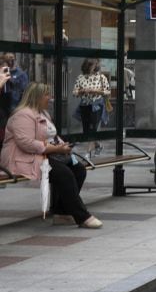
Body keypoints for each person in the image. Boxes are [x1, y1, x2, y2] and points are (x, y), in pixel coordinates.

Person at [1, 83, 102, 228]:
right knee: (64, 174)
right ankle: (83, 216)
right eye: (47, 95)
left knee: (79, 169)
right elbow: (27, 143)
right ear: (37, 97)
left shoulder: (43, 114)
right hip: (23, 158)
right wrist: (55, 149)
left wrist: (63, 146)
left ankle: (62, 213)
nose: (50, 98)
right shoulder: (22, 115)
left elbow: (52, 136)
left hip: (45, 155)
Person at [73, 58, 109, 154]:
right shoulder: (81, 77)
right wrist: (81, 91)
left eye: (93, 65)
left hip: (97, 104)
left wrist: (95, 91)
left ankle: (88, 152)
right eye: (89, 65)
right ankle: (98, 145)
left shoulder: (101, 77)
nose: (91, 67)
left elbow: (107, 91)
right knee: (86, 130)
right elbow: (75, 92)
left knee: (93, 127)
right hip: (85, 104)